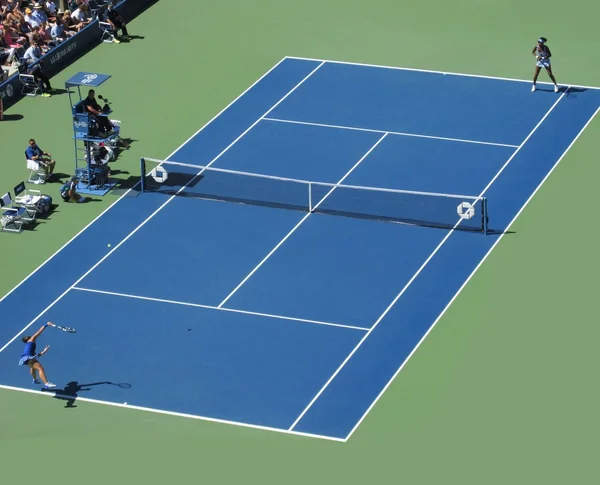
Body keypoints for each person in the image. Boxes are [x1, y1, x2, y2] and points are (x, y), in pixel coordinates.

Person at [18, 322, 56, 388]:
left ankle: (34, 380)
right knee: (40, 369)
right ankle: (46, 383)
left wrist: (45, 350)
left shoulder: (29, 346)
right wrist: (46, 324)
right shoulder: (31, 340)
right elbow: (39, 331)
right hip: (28, 358)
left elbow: (38, 355)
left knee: (32, 367)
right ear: (29, 338)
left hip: (25, 359)